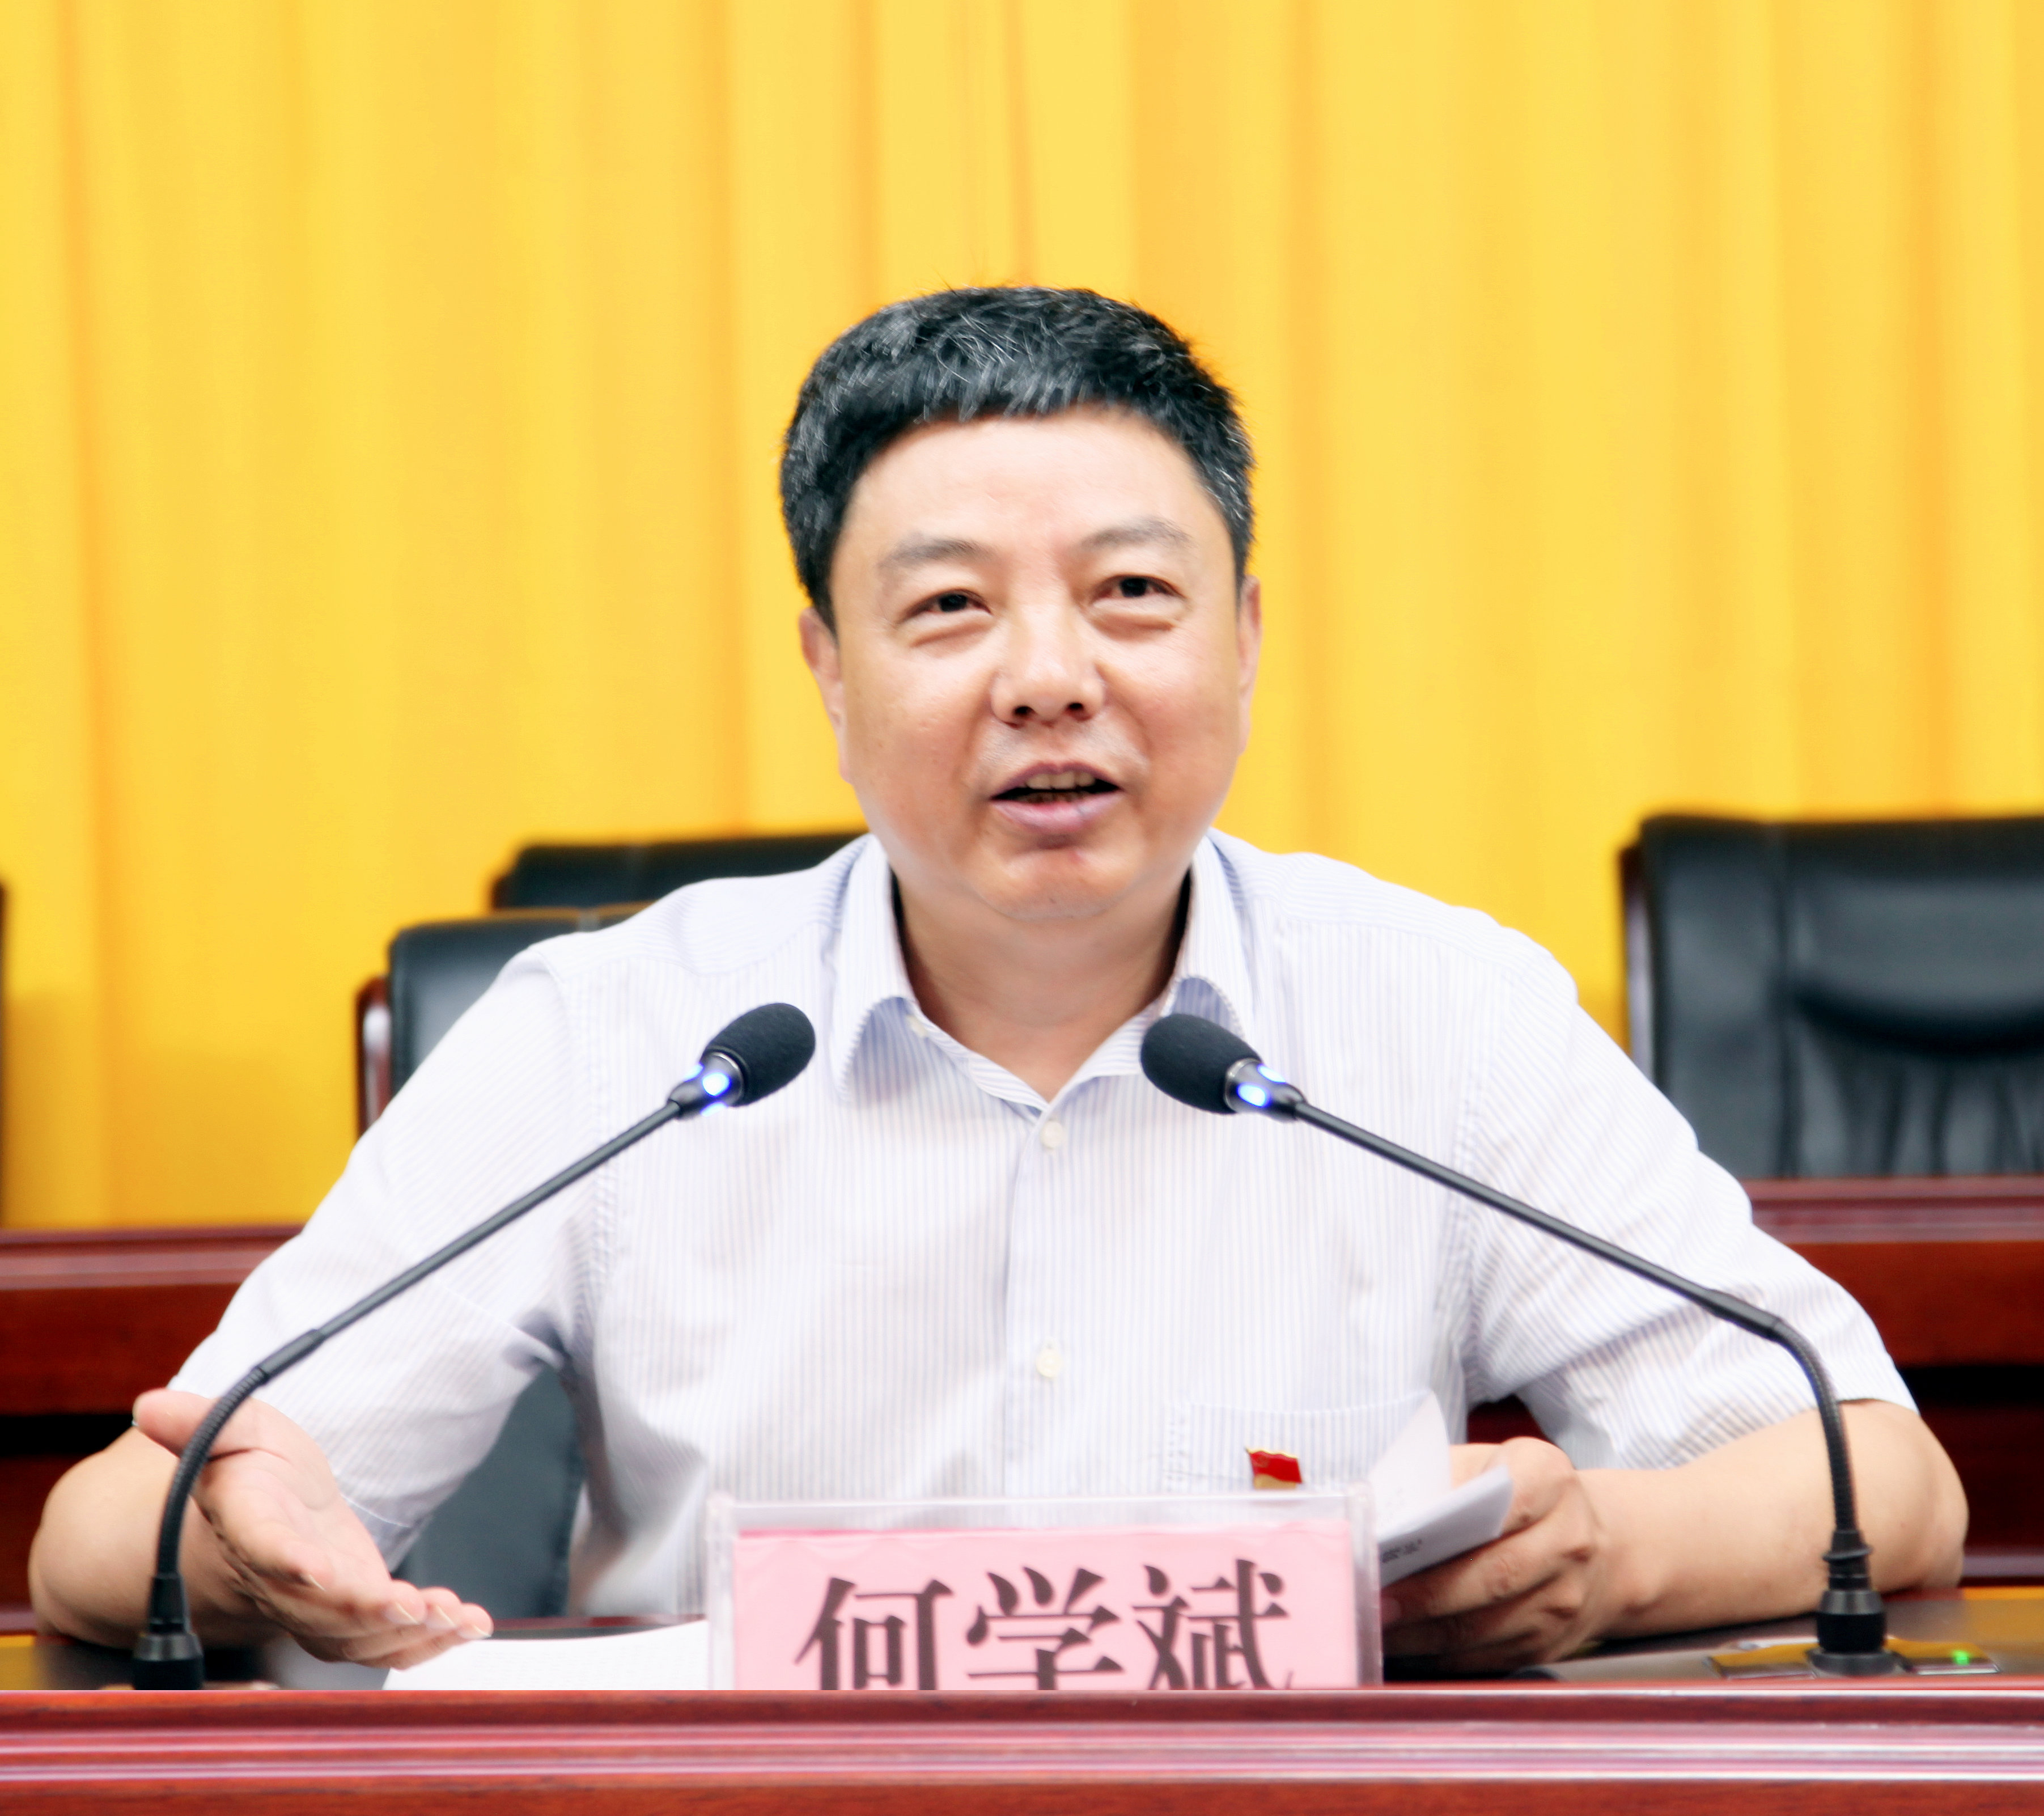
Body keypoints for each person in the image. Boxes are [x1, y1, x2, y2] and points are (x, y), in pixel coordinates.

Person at [31, 288, 1965, 1677]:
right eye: (949, 606)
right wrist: (235, 1541)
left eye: (1134, 594)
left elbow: (1887, 1478)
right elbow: (99, 1537)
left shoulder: (1438, 1016)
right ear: (829, 667)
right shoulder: (616, 1038)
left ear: (1245, 638)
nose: (1051, 678)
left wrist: (1611, 1551)